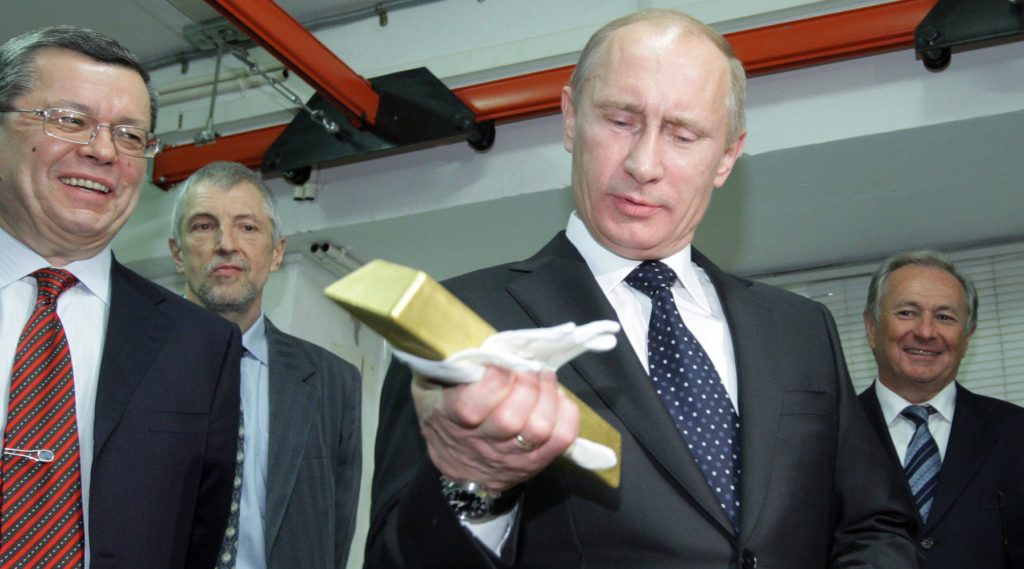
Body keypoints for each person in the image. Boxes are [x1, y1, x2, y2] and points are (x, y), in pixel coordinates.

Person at [366, 8, 919, 569]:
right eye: (620, 120)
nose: (643, 163)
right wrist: (472, 482)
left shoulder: (799, 329)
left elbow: (876, 526)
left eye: (683, 134)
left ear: (727, 156)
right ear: (569, 118)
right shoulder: (459, 323)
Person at [0, 26, 241, 568]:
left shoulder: (200, 347)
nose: (104, 150)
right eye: (70, 120)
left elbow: (197, 543)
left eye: (130, 136)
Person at [168, 161, 362, 569]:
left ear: (276, 253)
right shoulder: (133, 361)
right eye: (204, 226)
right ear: (177, 253)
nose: (226, 244)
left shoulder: (333, 381)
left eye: (247, 227)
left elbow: (336, 529)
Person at [859, 250, 1024, 569]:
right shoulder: (829, 435)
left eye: (945, 317)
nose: (926, 332)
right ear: (871, 327)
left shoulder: (1017, 433)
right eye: (907, 312)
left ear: (967, 336)